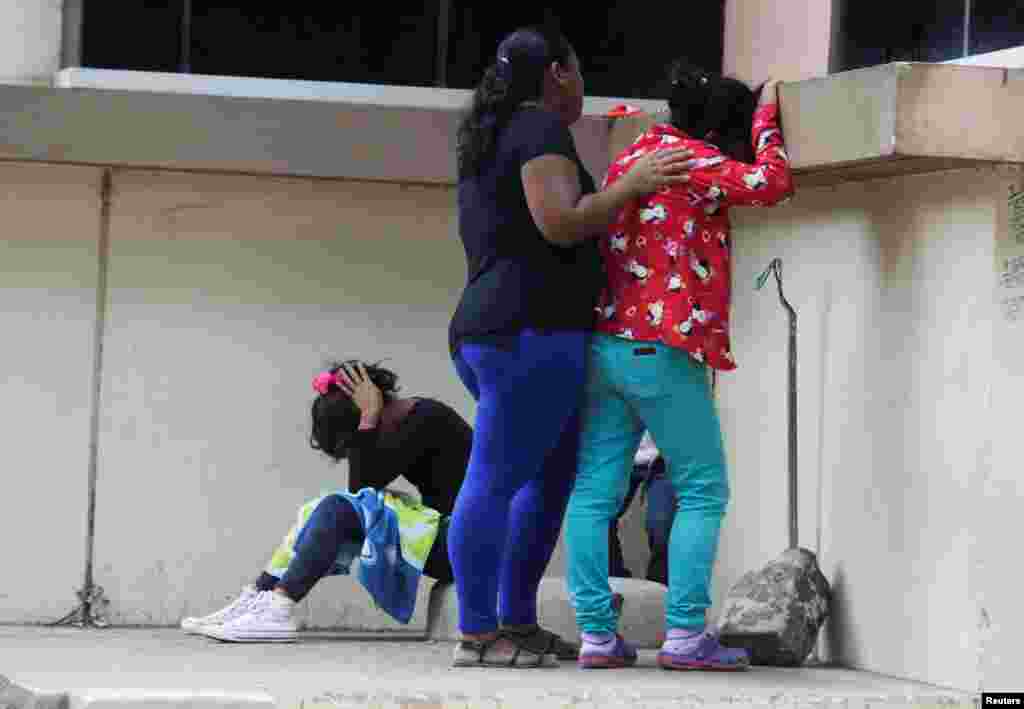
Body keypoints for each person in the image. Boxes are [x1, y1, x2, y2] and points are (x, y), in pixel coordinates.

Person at [447, 26, 692, 668]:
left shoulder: (494, 134)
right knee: (497, 476)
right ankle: (476, 632)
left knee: (549, 479)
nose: (582, 84)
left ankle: (516, 622)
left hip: (508, 329)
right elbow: (559, 222)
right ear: (557, 73)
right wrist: (630, 184)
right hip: (525, 332)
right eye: (579, 70)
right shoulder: (536, 130)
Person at [564, 62, 794, 670]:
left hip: (606, 344)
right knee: (703, 489)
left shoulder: (637, 153)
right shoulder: (692, 160)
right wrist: (769, 118)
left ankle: (595, 635)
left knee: (593, 492)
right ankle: (686, 635)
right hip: (661, 347)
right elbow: (771, 183)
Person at [179, 360, 517, 644]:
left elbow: (360, 490)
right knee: (322, 508)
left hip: (471, 547)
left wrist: (368, 417)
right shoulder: (409, 421)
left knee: (338, 507)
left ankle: (278, 607)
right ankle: (258, 598)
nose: (358, 444)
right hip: (451, 538)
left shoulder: (427, 418)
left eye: (355, 436)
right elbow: (366, 491)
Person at [608, 432, 674, 586]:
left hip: (664, 457)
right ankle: (616, 583)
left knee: (662, 530)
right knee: (598, 519)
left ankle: (659, 595)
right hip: (617, 451)